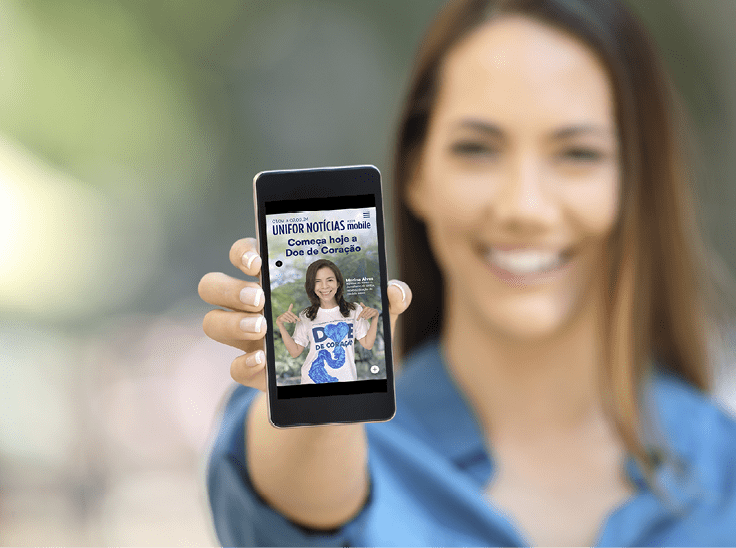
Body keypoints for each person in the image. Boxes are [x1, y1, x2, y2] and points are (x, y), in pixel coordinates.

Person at [198, 0, 736, 545]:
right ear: (415, 174)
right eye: (476, 149)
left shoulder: (723, 466)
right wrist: (308, 385)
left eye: (577, 153)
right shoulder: (345, 445)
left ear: (634, 181)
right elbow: (300, 495)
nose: (524, 206)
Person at [275, 259, 379, 384]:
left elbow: (368, 344)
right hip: (312, 381)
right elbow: (294, 352)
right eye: (317, 281)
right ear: (311, 286)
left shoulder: (354, 310)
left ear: (338, 283)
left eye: (329, 280)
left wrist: (375, 318)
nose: (324, 286)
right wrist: (280, 324)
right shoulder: (306, 316)